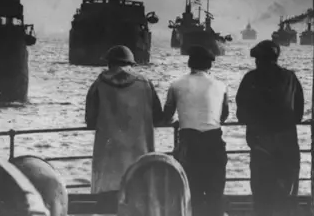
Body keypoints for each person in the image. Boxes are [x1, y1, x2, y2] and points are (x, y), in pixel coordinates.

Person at [85, 45, 163, 201]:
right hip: (138, 154)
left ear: (109, 63)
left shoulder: (99, 83)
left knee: (107, 200)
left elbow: (90, 120)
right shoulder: (145, 83)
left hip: (109, 155)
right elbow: (159, 117)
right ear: (131, 64)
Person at [236, 40, 304, 216]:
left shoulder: (250, 79)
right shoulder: (290, 78)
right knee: (285, 194)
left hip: (261, 146)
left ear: (257, 60)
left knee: (261, 196)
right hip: (287, 145)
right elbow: (298, 113)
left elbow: (241, 114)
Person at [162, 45, 229, 216]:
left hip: (189, 142)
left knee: (192, 191)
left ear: (189, 63)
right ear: (210, 65)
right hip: (214, 141)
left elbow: (167, 114)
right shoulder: (221, 85)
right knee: (215, 192)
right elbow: (224, 115)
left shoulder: (176, 84)